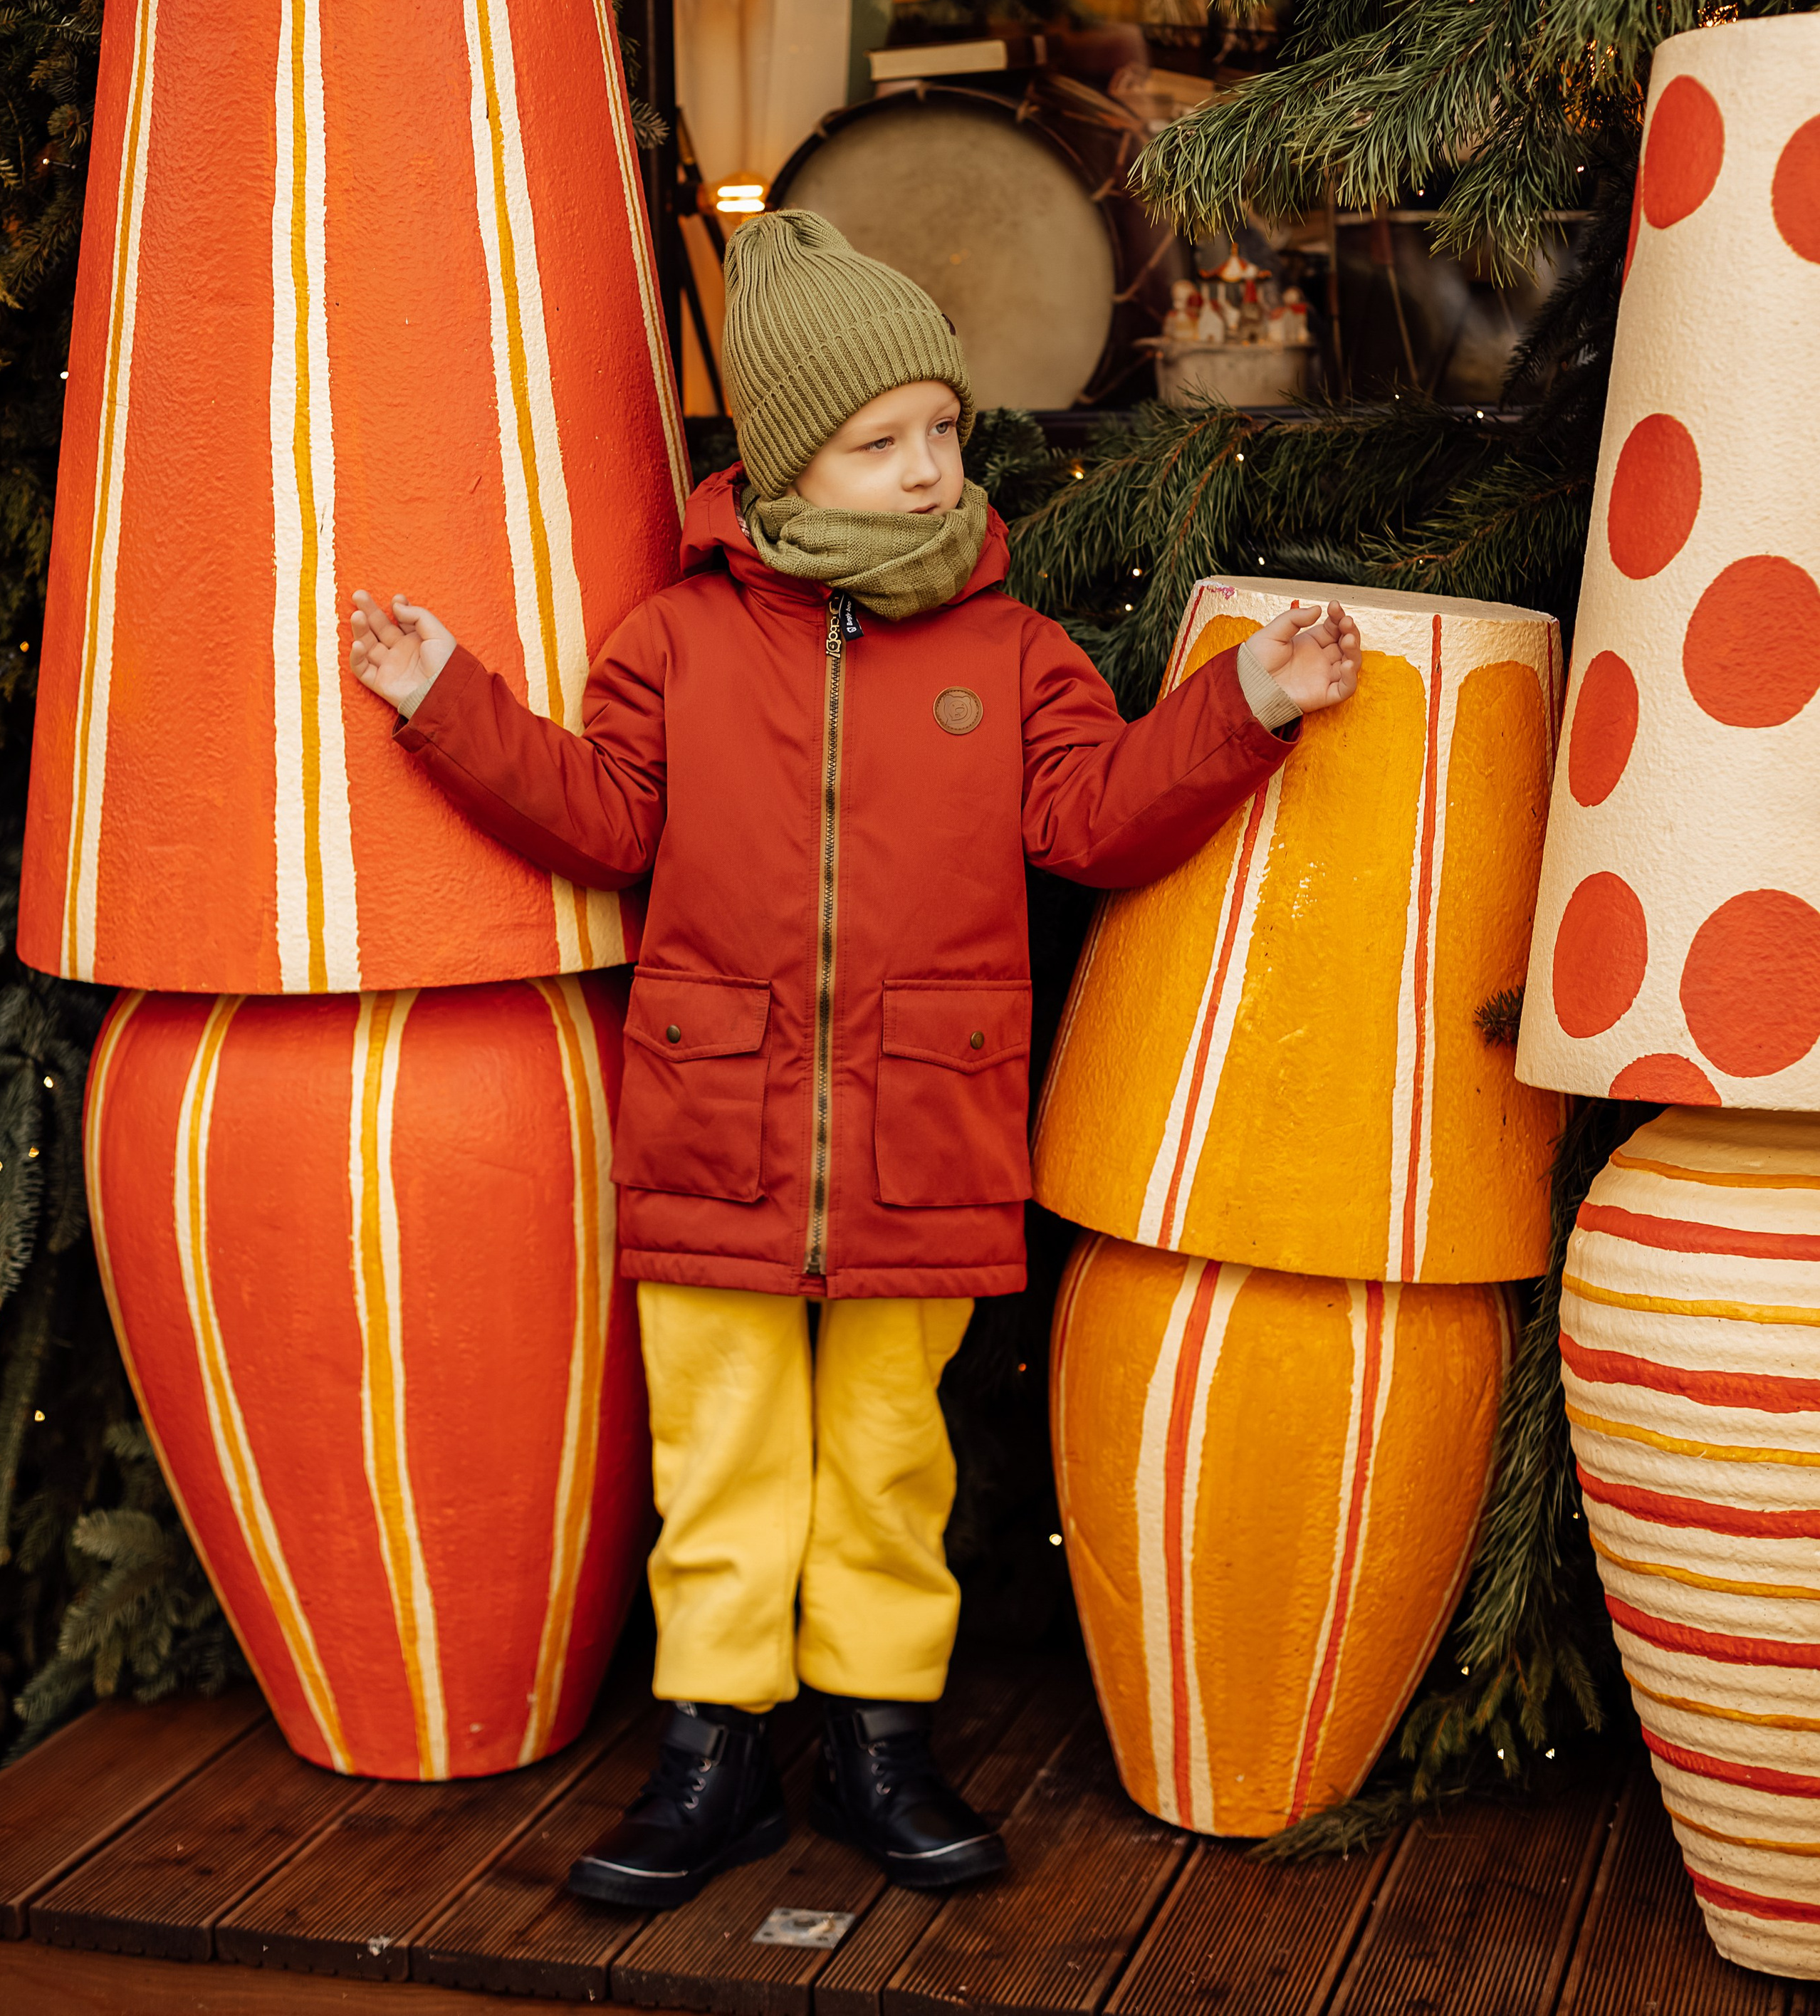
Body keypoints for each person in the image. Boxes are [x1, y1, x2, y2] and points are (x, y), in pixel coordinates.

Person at [346, 210, 1361, 1909]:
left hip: (924, 1130)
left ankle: (882, 1743)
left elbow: (1092, 820)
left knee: (892, 1452)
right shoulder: (673, 643)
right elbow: (604, 816)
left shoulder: (1010, 652)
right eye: (876, 440)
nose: (921, 468)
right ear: (785, 464)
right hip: (711, 1122)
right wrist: (450, 697)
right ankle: (712, 1760)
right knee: (721, 1453)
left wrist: (1240, 702)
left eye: (940, 432)